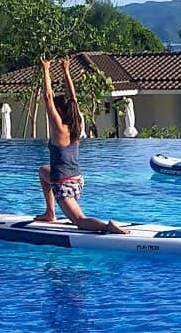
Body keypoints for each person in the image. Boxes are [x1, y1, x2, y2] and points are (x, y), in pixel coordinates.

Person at [35, 55, 126, 234]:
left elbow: (47, 97)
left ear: (60, 112)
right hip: (77, 180)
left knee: (79, 221)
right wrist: (66, 71)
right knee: (43, 171)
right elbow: (74, 99)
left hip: (64, 185)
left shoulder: (59, 129)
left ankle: (108, 226)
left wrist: (46, 70)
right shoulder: (77, 124)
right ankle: (50, 212)